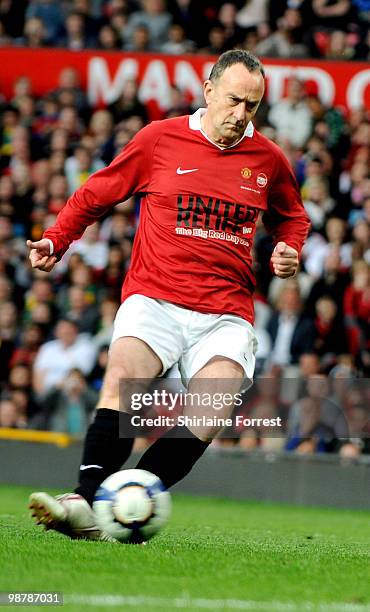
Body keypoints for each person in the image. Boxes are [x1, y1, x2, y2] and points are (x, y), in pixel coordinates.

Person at [27, 49, 310, 541]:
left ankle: (127, 502)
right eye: (234, 101)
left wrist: (288, 248)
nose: (241, 114)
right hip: (155, 297)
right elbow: (98, 191)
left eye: (253, 105)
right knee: (123, 378)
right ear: (208, 90)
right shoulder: (160, 139)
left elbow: (293, 215)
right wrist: (57, 238)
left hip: (224, 313)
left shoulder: (267, 159)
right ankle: (86, 500)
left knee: (211, 410)